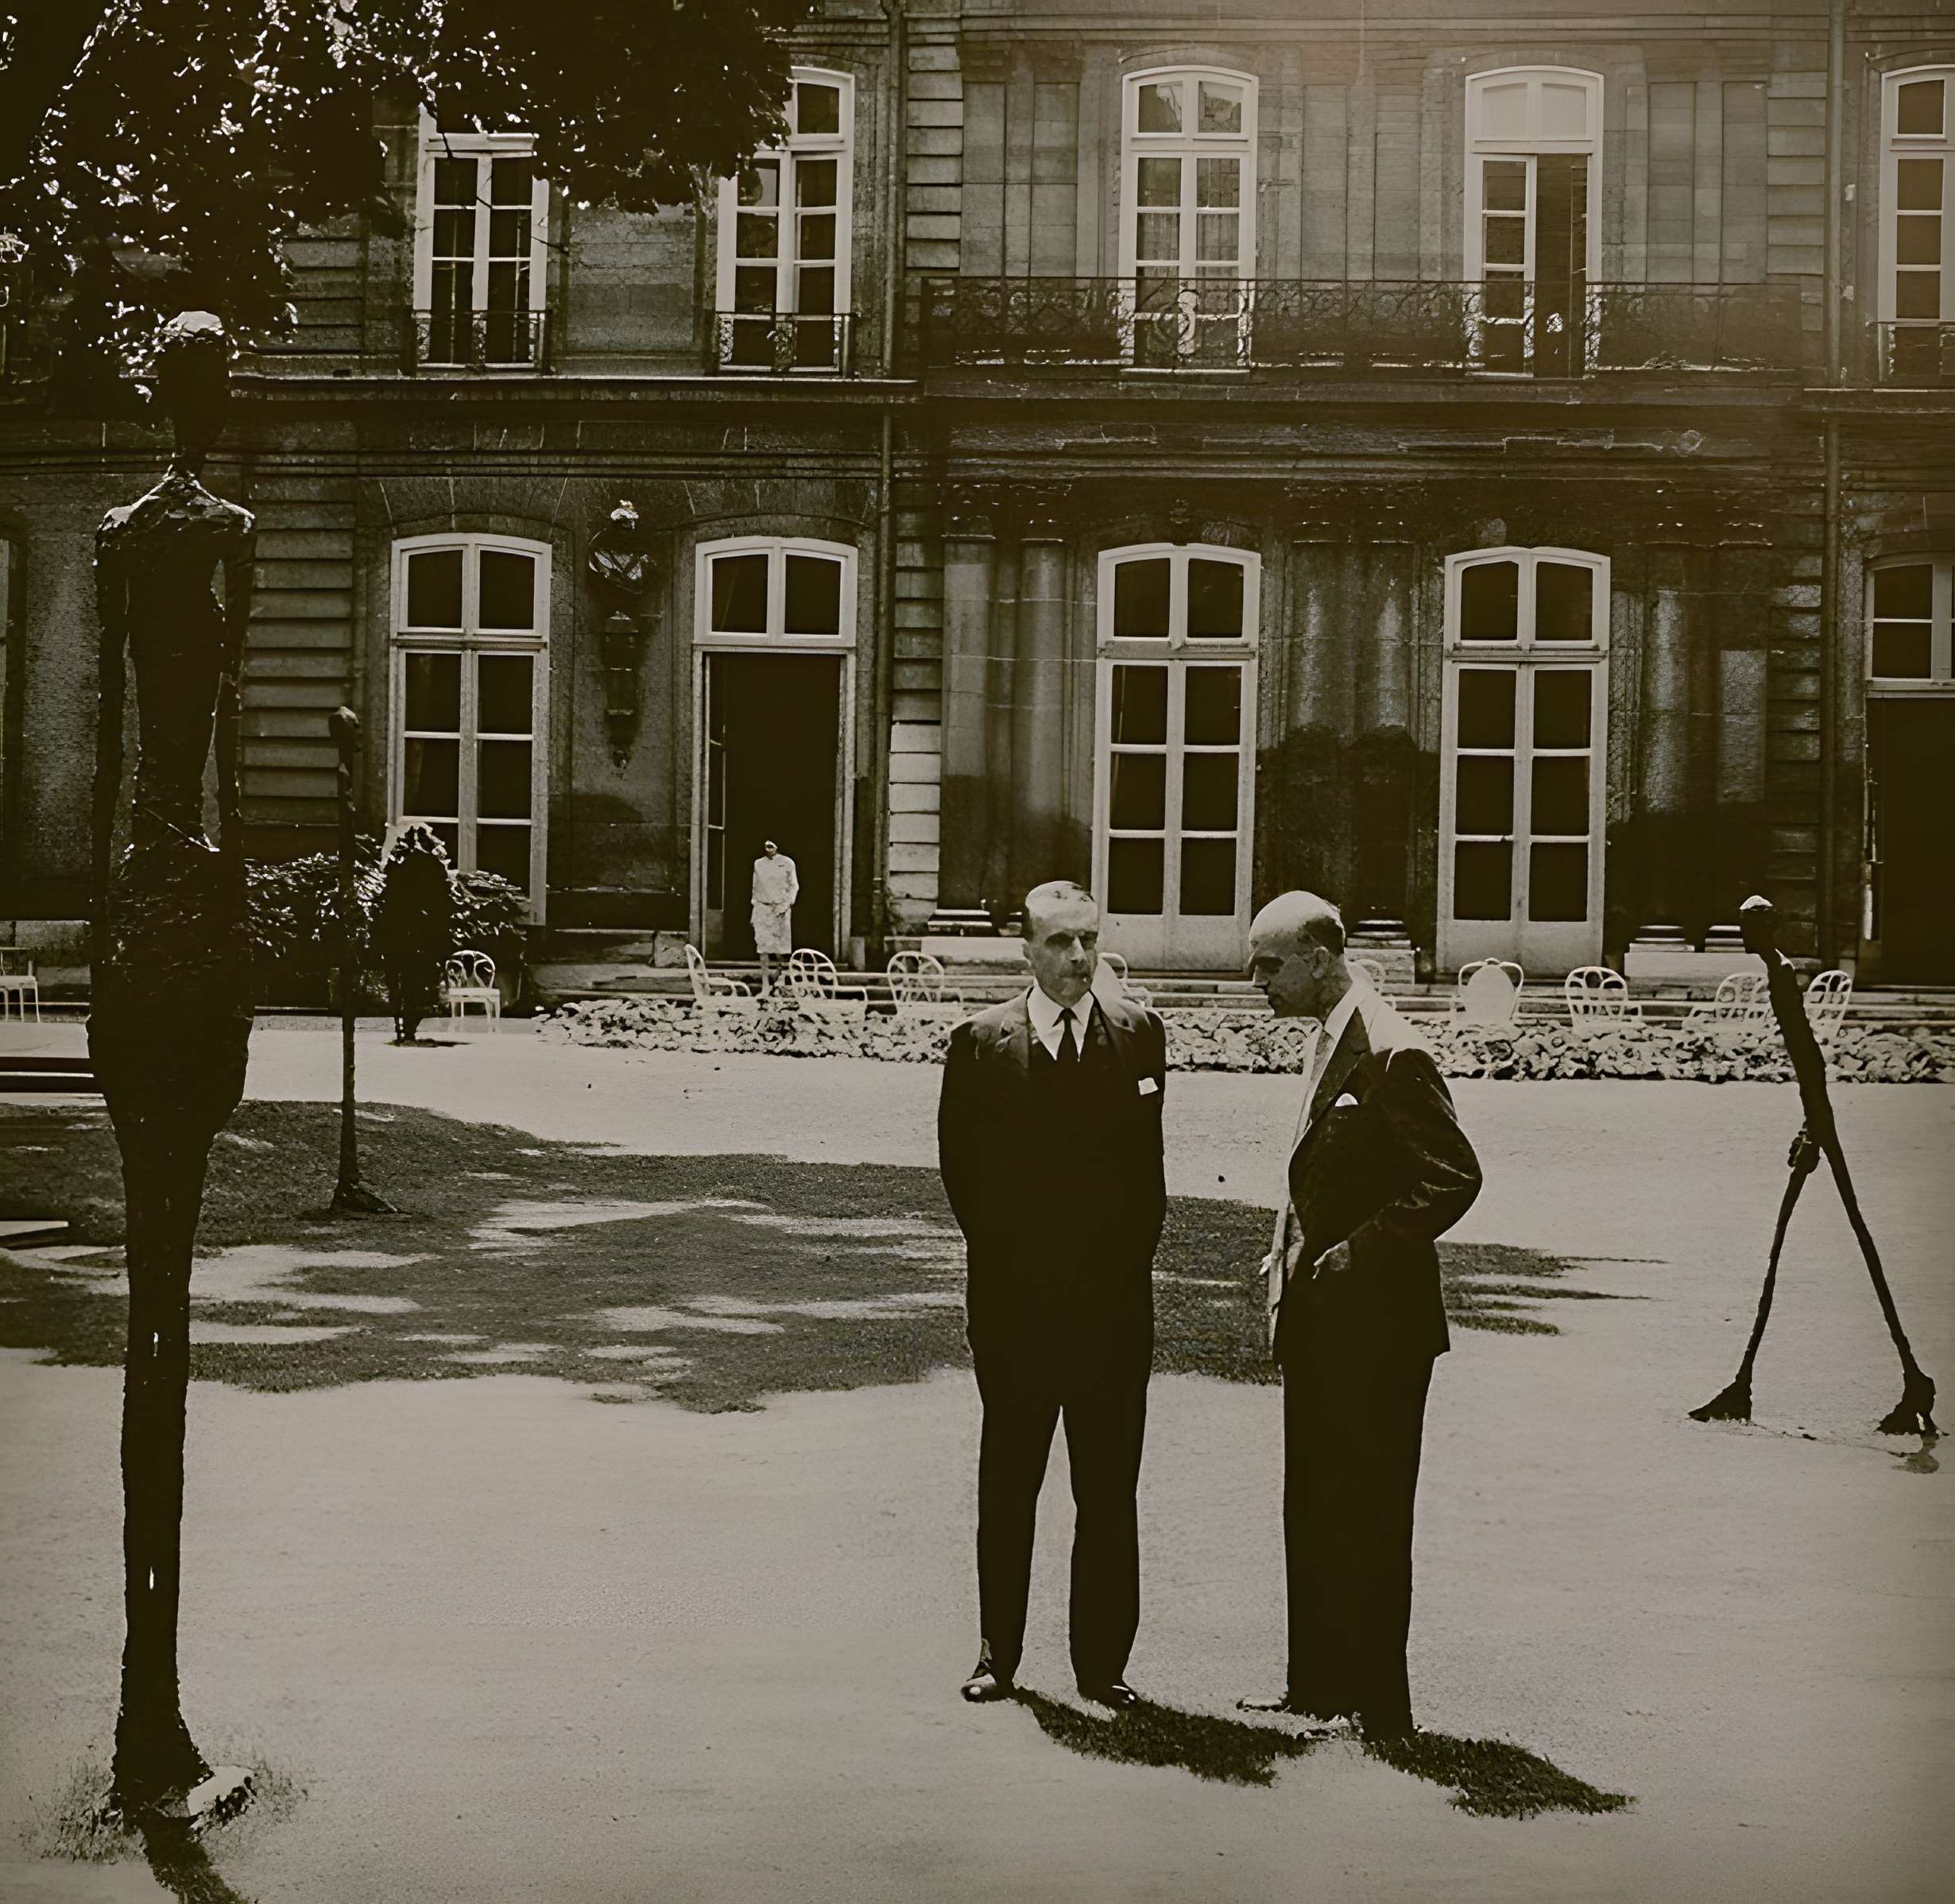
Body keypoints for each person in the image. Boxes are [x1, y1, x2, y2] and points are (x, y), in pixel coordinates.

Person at [1237, 892, 1481, 1739]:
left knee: (1372, 1510)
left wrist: (1357, 1251)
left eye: (1269, 962)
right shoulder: (1330, 1038)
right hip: (1318, 1319)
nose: (1254, 978)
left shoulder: (1390, 1049)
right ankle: (1314, 1686)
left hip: (1378, 1326)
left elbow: (1453, 1175)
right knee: (1311, 1498)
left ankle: (1381, 1705)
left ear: (1318, 956)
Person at [937, 880, 1167, 1709]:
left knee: (1107, 1494)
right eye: (1062, 942)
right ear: (1026, 950)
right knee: (1010, 1487)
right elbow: (964, 1179)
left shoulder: (1142, 1035)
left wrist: (1116, 1278)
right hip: (1017, 1314)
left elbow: (1149, 1182)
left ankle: (1102, 1665)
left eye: (1090, 941)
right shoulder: (978, 1043)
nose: (1079, 958)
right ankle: (999, 1655)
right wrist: (1022, 1279)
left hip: (1112, 1315)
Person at [749, 838, 798, 993]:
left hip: (781, 908)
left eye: (771, 846)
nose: (768, 849)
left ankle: (780, 973)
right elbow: (755, 889)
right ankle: (765, 984)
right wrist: (754, 911)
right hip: (763, 908)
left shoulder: (788, 863)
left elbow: (794, 886)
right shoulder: (758, 864)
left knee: (780, 947)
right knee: (762, 947)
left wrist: (787, 904)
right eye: (766, 846)